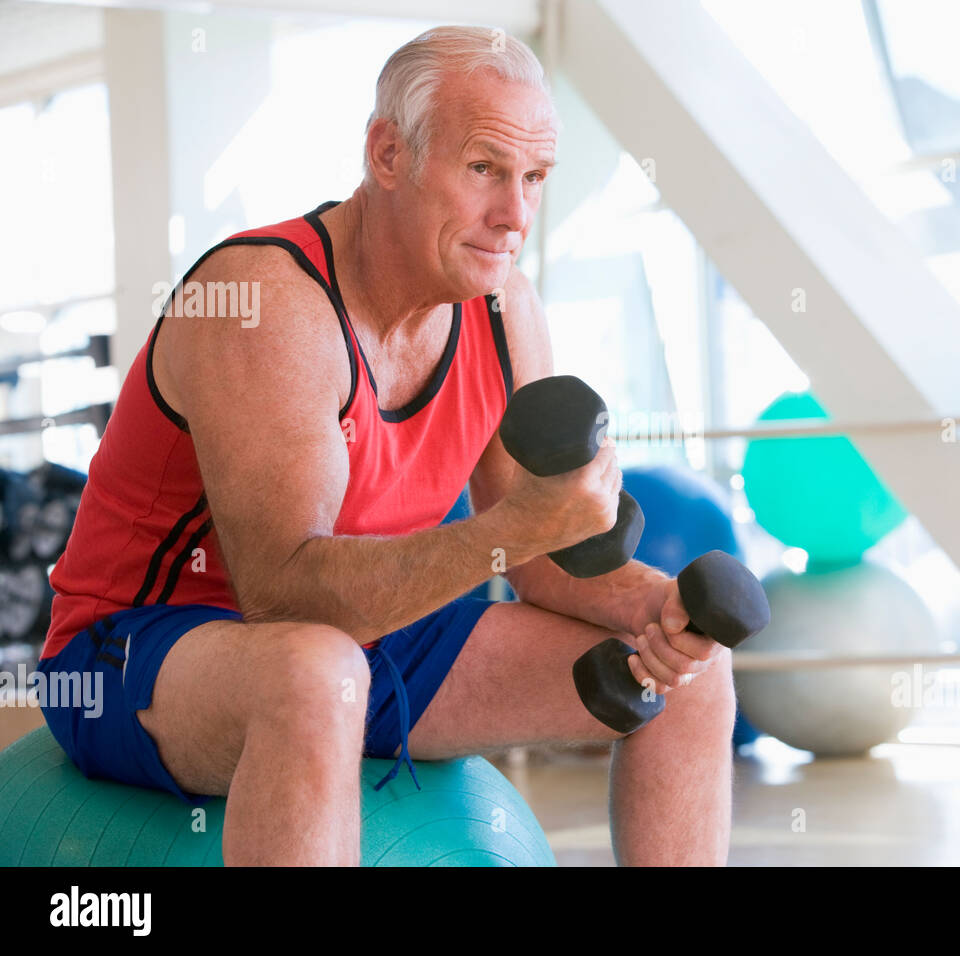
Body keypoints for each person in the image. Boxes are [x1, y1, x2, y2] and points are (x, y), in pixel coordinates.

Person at [36, 25, 734, 866]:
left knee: (694, 677)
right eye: (484, 169)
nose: (514, 215)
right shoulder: (265, 303)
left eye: (534, 178)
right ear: (388, 152)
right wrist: (519, 529)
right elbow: (284, 598)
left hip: (366, 633)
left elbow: (536, 556)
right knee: (314, 671)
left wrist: (656, 610)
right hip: (137, 647)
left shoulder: (505, 309)